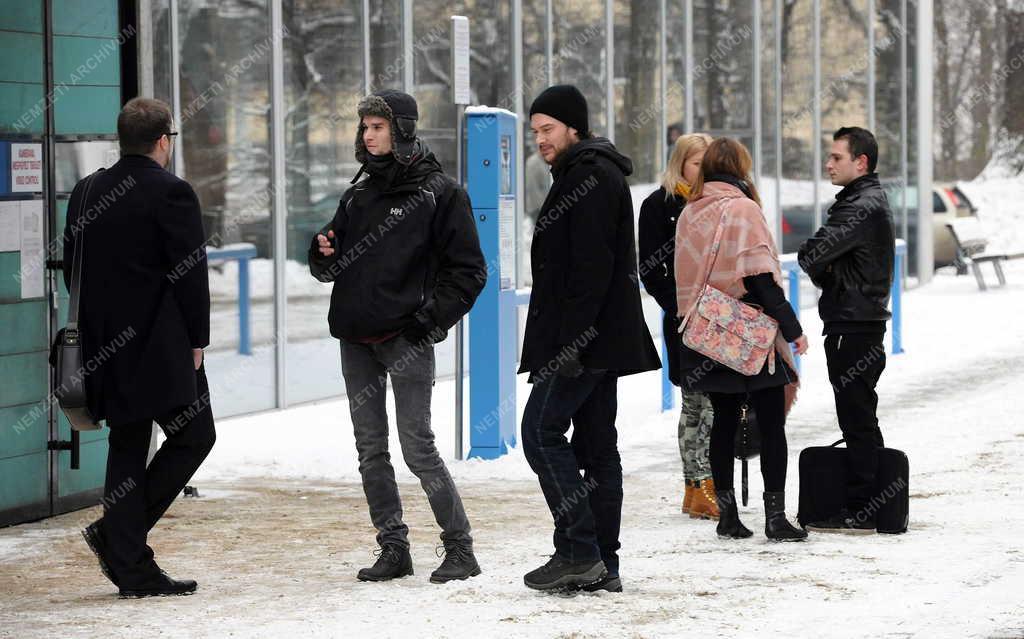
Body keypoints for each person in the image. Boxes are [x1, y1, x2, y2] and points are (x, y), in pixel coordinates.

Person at [309, 90, 487, 583]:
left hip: (407, 338)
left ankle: (460, 548)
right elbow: (331, 263)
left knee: (418, 448)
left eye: (377, 127)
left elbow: (470, 272)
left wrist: (426, 324)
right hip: (355, 339)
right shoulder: (358, 194)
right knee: (370, 449)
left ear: (403, 130)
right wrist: (322, 252)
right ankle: (394, 547)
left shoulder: (442, 193)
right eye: (364, 127)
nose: (367, 136)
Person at [67, 97, 216, 597]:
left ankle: (128, 557)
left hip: (104, 344)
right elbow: (190, 274)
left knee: (127, 443)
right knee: (196, 435)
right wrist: (198, 339)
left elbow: (73, 270)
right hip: (162, 346)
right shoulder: (173, 193)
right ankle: (120, 540)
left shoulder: (87, 192)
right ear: (162, 141)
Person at [520, 85, 661, 592]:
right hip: (597, 340)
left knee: (539, 432)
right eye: (534, 131)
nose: (539, 139)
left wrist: (571, 345)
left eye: (548, 129)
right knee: (598, 447)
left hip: (584, 342)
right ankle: (603, 561)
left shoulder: (591, 176)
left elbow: (591, 270)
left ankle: (580, 551)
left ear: (573, 127)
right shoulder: (589, 172)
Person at [674, 137, 809, 542]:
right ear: (740, 168)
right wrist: (792, 328)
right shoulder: (743, 209)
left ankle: (728, 517)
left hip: (709, 335)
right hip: (750, 334)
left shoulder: (690, 212)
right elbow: (759, 278)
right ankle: (775, 517)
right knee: (771, 424)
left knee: (723, 423)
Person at [798, 126, 895, 534]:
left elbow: (811, 254)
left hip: (854, 326)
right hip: (858, 322)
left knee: (856, 417)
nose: (828, 163)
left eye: (837, 157)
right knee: (860, 414)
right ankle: (867, 501)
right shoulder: (864, 201)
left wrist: (828, 269)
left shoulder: (858, 206)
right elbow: (825, 262)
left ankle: (862, 507)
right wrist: (831, 270)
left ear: (861, 162)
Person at [638, 132, 719, 520]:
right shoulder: (659, 204)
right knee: (695, 404)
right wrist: (679, 307)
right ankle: (699, 485)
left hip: (724, 320)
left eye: (709, 162)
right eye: (696, 162)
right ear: (680, 163)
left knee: (717, 404)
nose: (703, 170)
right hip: (685, 320)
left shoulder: (722, 201)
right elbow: (650, 268)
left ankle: (706, 485)